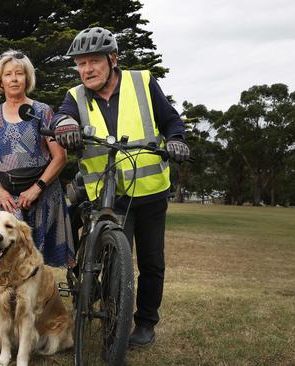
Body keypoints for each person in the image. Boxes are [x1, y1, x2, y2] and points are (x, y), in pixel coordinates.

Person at [52, 27, 191, 348]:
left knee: (153, 261)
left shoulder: (142, 82)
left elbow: (171, 120)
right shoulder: (76, 95)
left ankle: (145, 324)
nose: (86, 70)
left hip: (152, 192)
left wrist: (176, 140)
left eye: (93, 62)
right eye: (80, 63)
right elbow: (62, 116)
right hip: (109, 193)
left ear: (112, 60)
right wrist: (66, 126)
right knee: (117, 260)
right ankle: (106, 304)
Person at [0, 50, 75, 352]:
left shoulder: (43, 112)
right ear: (0, 80)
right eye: (8, 74)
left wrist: (37, 187)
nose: (14, 78)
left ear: (27, 78)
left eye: (19, 73)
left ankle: (38, 321)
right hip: (5, 199)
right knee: (0, 262)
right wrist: (0, 192)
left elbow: (60, 156)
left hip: (41, 195)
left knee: (35, 266)